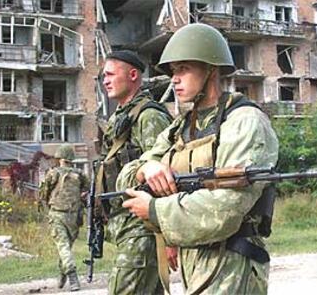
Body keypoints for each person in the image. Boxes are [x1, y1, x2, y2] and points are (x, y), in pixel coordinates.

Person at [118, 23, 279, 294]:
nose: (174, 79)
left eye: (184, 69)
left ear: (211, 70)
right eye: (173, 71)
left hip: (233, 263)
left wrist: (157, 211)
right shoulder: (181, 127)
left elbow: (227, 207)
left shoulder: (244, 122)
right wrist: (147, 168)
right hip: (194, 262)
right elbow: (125, 180)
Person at [97, 50, 172, 294]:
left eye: (110, 74)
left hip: (143, 227)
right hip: (127, 225)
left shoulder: (149, 116)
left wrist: (168, 236)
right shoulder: (121, 116)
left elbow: (165, 175)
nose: (105, 80)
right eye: (103, 76)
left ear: (132, 75)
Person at [41, 144, 89, 292]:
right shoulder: (80, 174)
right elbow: (86, 191)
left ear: (60, 157)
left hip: (57, 214)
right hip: (74, 216)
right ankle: (63, 275)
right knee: (66, 247)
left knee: (63, 247)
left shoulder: (52, 173)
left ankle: (72, 277)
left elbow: (43, 193)